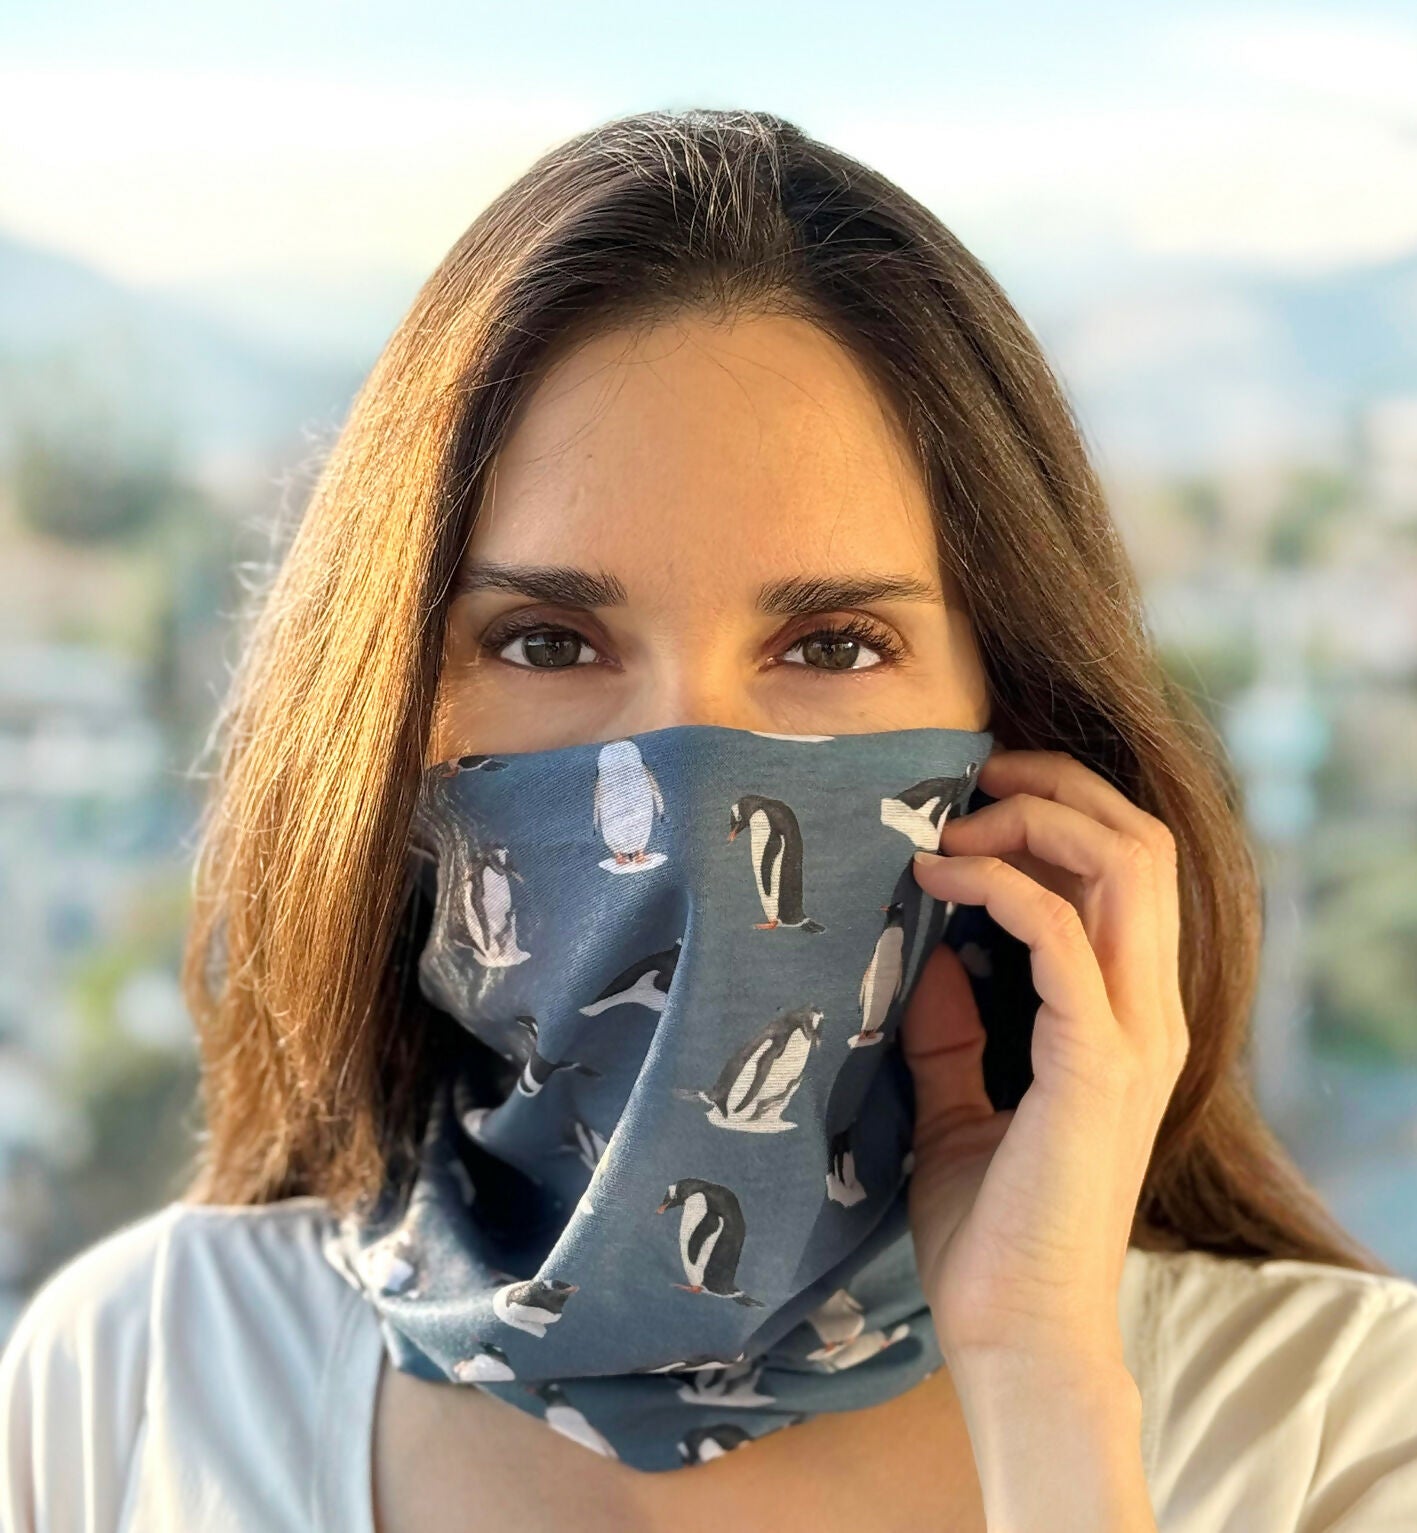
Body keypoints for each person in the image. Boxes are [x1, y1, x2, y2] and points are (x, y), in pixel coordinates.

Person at [3, 107, 1416, 1532]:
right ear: (391, 713)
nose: (689, 798)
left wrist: (1045, 1378)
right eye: (547, 642)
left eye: (833, 645)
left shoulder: (1327, 1425)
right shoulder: (134, 1386)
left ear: (1017, 726)